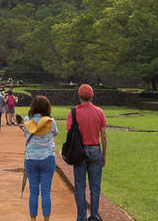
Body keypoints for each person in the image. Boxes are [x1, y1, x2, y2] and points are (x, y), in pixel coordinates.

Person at [67, 84, 107, 221]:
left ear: (79, 96)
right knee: (95, 186)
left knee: (79, 186)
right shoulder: (99, 112)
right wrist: (104, 155)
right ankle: (94, 216)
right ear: (92, 96)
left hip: (79, 151)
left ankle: (82, 217)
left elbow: (70, 134)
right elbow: (103, 135)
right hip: (95, 149)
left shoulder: (73, 113)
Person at [19, 95, 58, 221]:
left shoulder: (27, 120)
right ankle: (46, 219)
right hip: (47, 157)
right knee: (46, 191)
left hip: (31, 158)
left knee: (33, 191)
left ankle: (33, 219)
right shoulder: (50, 121)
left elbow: (26, 132)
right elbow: (55, 133)